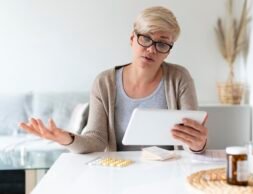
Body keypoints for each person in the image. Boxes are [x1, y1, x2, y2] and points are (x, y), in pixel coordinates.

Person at [19, 6, 208, 154]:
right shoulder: (104, 82)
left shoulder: (180, 78)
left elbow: (189, 141)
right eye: (146, 38)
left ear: (168, 50)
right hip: (119, 172)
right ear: (132, 39)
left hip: (170, 170)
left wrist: (198, 144)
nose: (151, 49)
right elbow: (96, 139)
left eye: (162, 43)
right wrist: (66, 139)